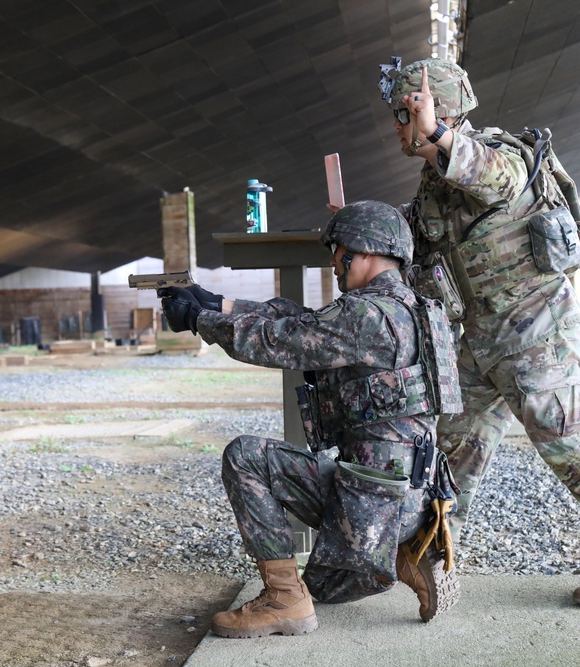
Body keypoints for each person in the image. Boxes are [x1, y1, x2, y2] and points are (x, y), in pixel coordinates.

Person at [377, 56, 580, 608]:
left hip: (535, 334)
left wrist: (439, 132)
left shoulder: (502, 154)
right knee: (448, 455)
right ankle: (436, 558)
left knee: (570, 443)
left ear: (433, 110)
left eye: (404, 114)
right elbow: (419, 251)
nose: (399, 128)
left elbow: (497, 181)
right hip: (473, 343)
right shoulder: (431, 187)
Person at [159, 200, 463, 638]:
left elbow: (278, 340)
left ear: (363, 251)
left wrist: (199, 321)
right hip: (418, 501)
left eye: (338, 253)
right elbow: (305, 320)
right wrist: (219, 304)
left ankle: (285, 600)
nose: (335, 265)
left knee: (245, 456)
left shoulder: (364, 315)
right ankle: (409, 553)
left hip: (369, 508)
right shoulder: (418, 309)